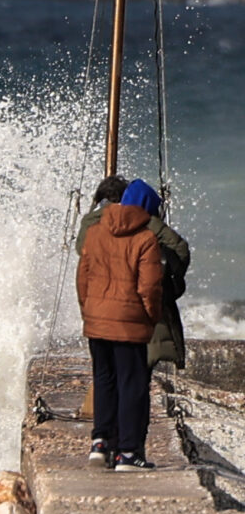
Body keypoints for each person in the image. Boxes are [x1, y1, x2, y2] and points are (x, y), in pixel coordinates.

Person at [77, 178, 164, 471]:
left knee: (104, 381)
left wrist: (88, 310)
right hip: (129, 325)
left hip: (97, 320)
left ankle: (100, 444)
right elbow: (149, 288)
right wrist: (150, 318)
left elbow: (83, 278)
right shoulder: (146, 239)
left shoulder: (94, 232)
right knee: (132, 385)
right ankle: (128, 453)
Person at [76, 177, 190, 370]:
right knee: (134, 378)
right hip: (135, 318)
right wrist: (172, 283)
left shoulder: (92, 226)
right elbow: (179, 251)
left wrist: (87, 310)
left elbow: (82, 270)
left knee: (107, 376)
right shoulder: (146, 227)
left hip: (99, 315)